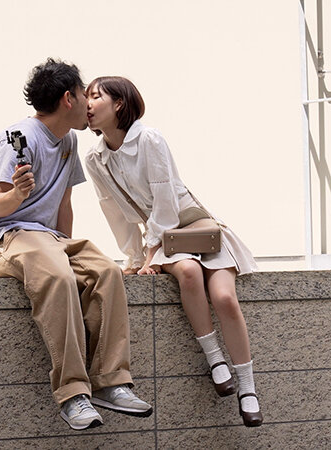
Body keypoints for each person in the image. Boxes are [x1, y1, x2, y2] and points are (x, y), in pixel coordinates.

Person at [0, 60, 152, 431]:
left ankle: (111, 382)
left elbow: (63, 204)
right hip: (4, 237)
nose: (89, 103)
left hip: (47, 239)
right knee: (57, 275)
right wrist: (18, 193)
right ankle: (72, 394)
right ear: (68, 99)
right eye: (86, 94)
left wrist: (67, 248)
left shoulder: (69, 140)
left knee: (105, 271)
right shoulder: (19, 138)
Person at [83, 76, 263, 427]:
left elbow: (165, 198)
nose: (87, 104)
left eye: (95, 96)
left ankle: (248, 388)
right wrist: (135, 258)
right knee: (189, 274)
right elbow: (114, 212)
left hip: (192, 226)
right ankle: (215, 360)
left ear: (118, 103)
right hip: (164, 239)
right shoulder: (95, 159)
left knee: (225, 297)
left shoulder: (149, 139)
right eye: (86, 97)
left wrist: (151, 252)